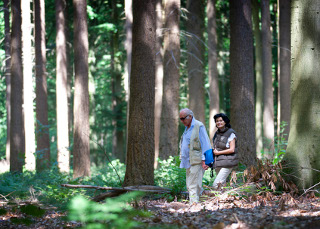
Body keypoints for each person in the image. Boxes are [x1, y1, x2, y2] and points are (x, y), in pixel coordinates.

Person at [179, 108, 212, 204]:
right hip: (188, 160)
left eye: (183, 118)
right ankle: (203, 202)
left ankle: (193, 205)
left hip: (197, 160)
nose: (182, 121)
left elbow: (206, 143)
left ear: (190, 116)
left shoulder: (198, 126)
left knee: (193, 185)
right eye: (180, 119)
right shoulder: (187, 128)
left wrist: (206, 160)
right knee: (191, 184)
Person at [212, 113, 239, 189]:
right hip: (218, 162)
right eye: (217, 121)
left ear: (225, 122)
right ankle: (223, 200)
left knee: (216, 185)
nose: (219, 122)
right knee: (221, 186)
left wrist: (218, 153)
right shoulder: (217, 133)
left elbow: (232, 149)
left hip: (228, 163)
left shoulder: (231, 133)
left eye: (221, 120)